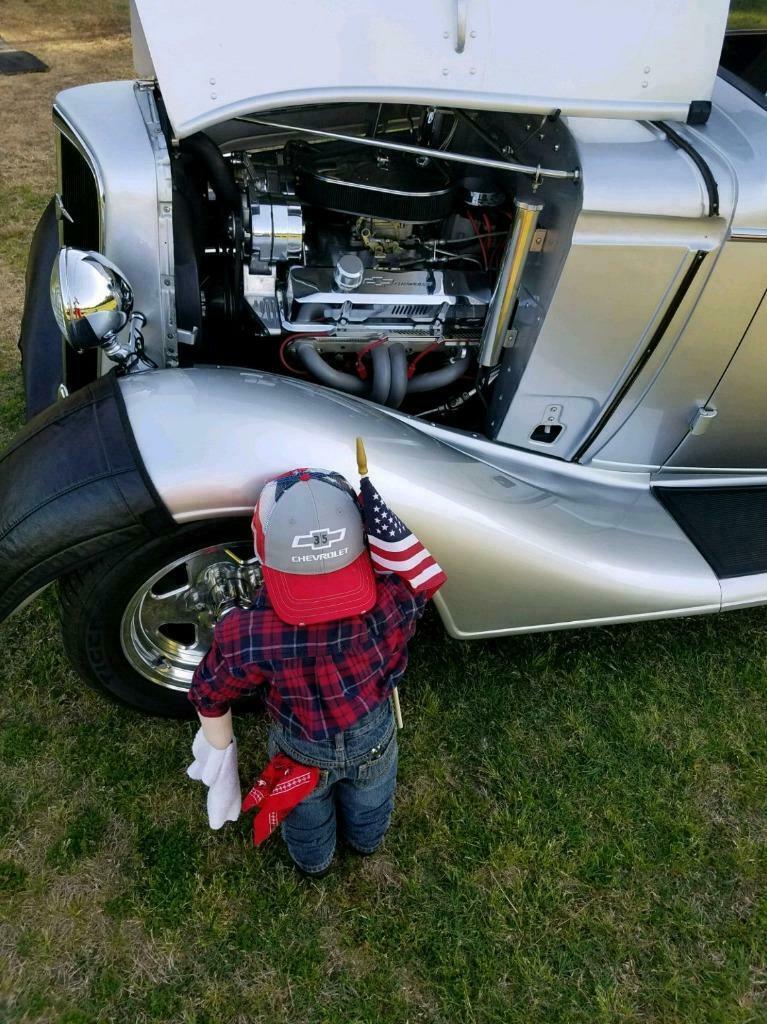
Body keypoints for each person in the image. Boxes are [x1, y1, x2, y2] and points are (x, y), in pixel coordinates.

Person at [186, 466, 445, 877]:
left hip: (299, 747)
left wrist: (220, 751)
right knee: (372, 797)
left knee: (304, 812)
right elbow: (417, 583)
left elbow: (209, 694)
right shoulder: (396, 598)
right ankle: (366, 841)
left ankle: (314, 861)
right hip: (374, 734)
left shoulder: (248, 634)